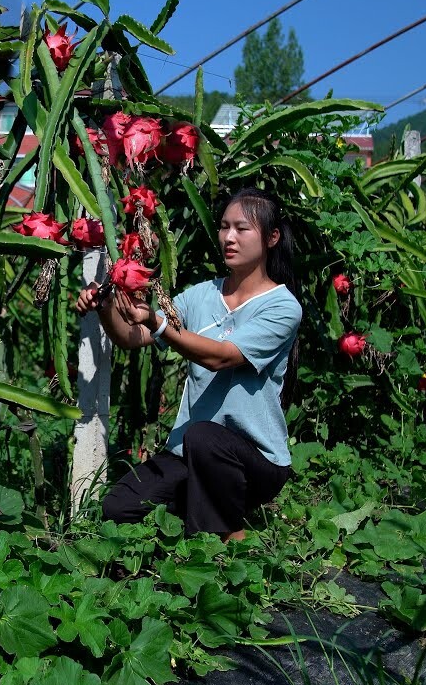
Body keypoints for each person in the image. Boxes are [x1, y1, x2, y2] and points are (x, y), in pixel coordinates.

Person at [75, 188, 303, 541]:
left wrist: (156, 322)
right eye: (224, 227)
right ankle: (201, 508)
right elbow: (132, 337)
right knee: (119, 507)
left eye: (242, 229)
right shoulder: (201, 295)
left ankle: (228, 538)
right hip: (193, 451)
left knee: (205, 436)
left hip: (256, 462)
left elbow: (221, 357)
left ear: (272, 237)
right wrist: (104, 304)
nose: (229, 237)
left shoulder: (283, 307)